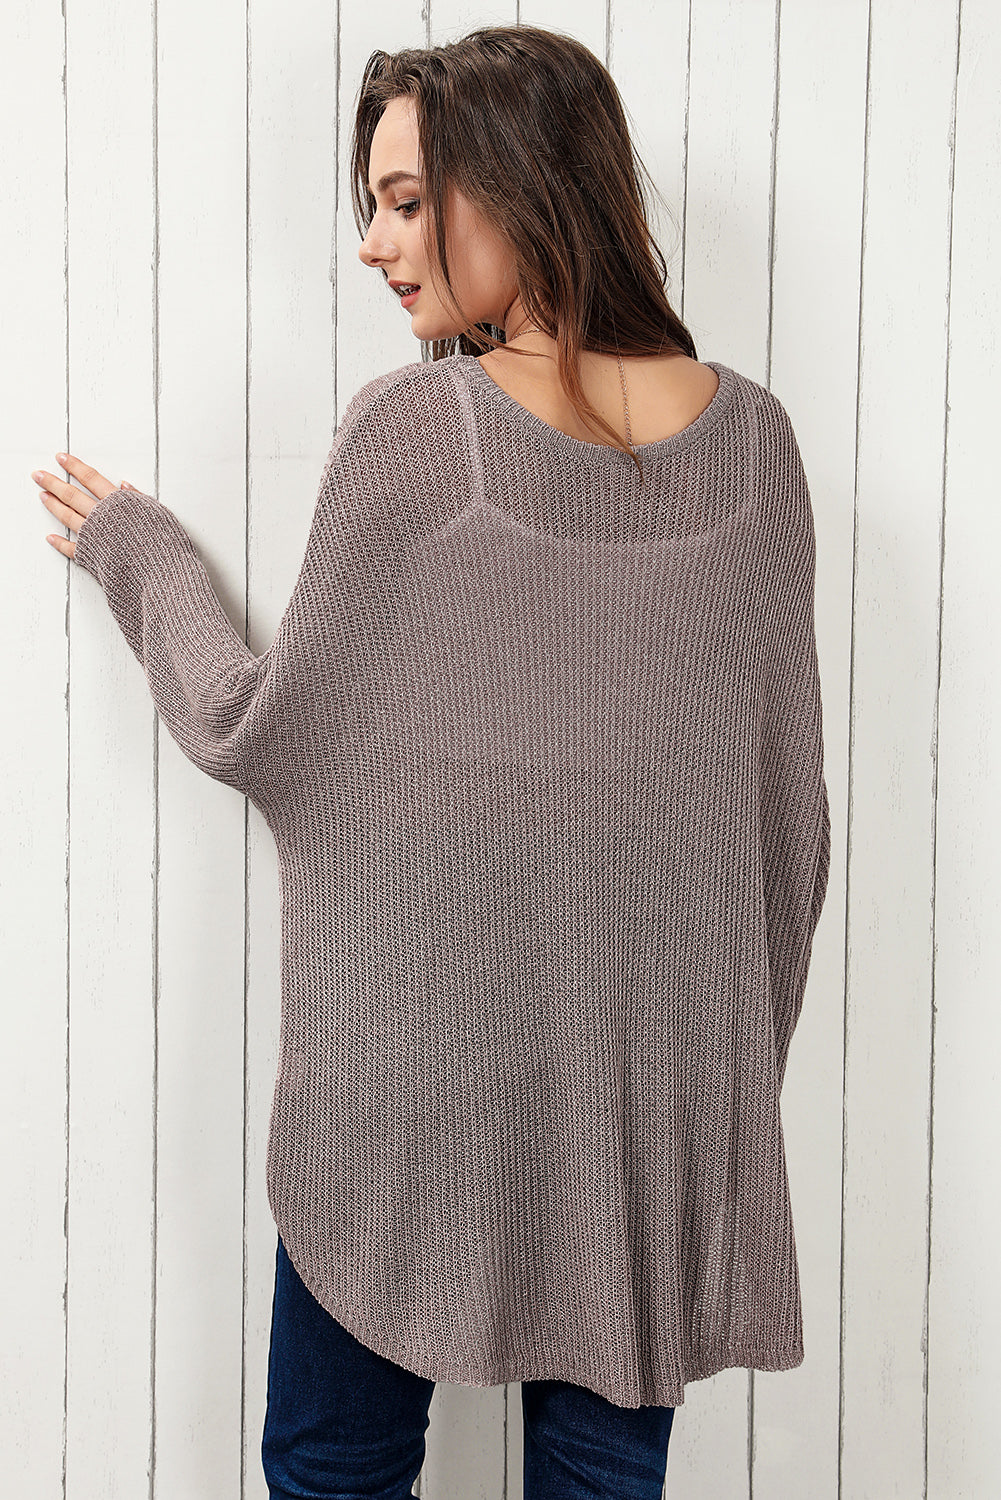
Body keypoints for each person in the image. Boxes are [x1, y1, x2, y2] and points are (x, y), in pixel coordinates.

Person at [31, 23, 831, 1500]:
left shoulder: (417, 433)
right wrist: (701, 1097)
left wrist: (139, 554)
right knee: (600, 1482)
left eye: (406, 202)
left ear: (521, 185)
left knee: (333, 1470)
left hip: (408, 1103)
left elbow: (264, 736)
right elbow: (790, 832)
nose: (372, 243)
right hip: (654, 1106)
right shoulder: (758, 448)